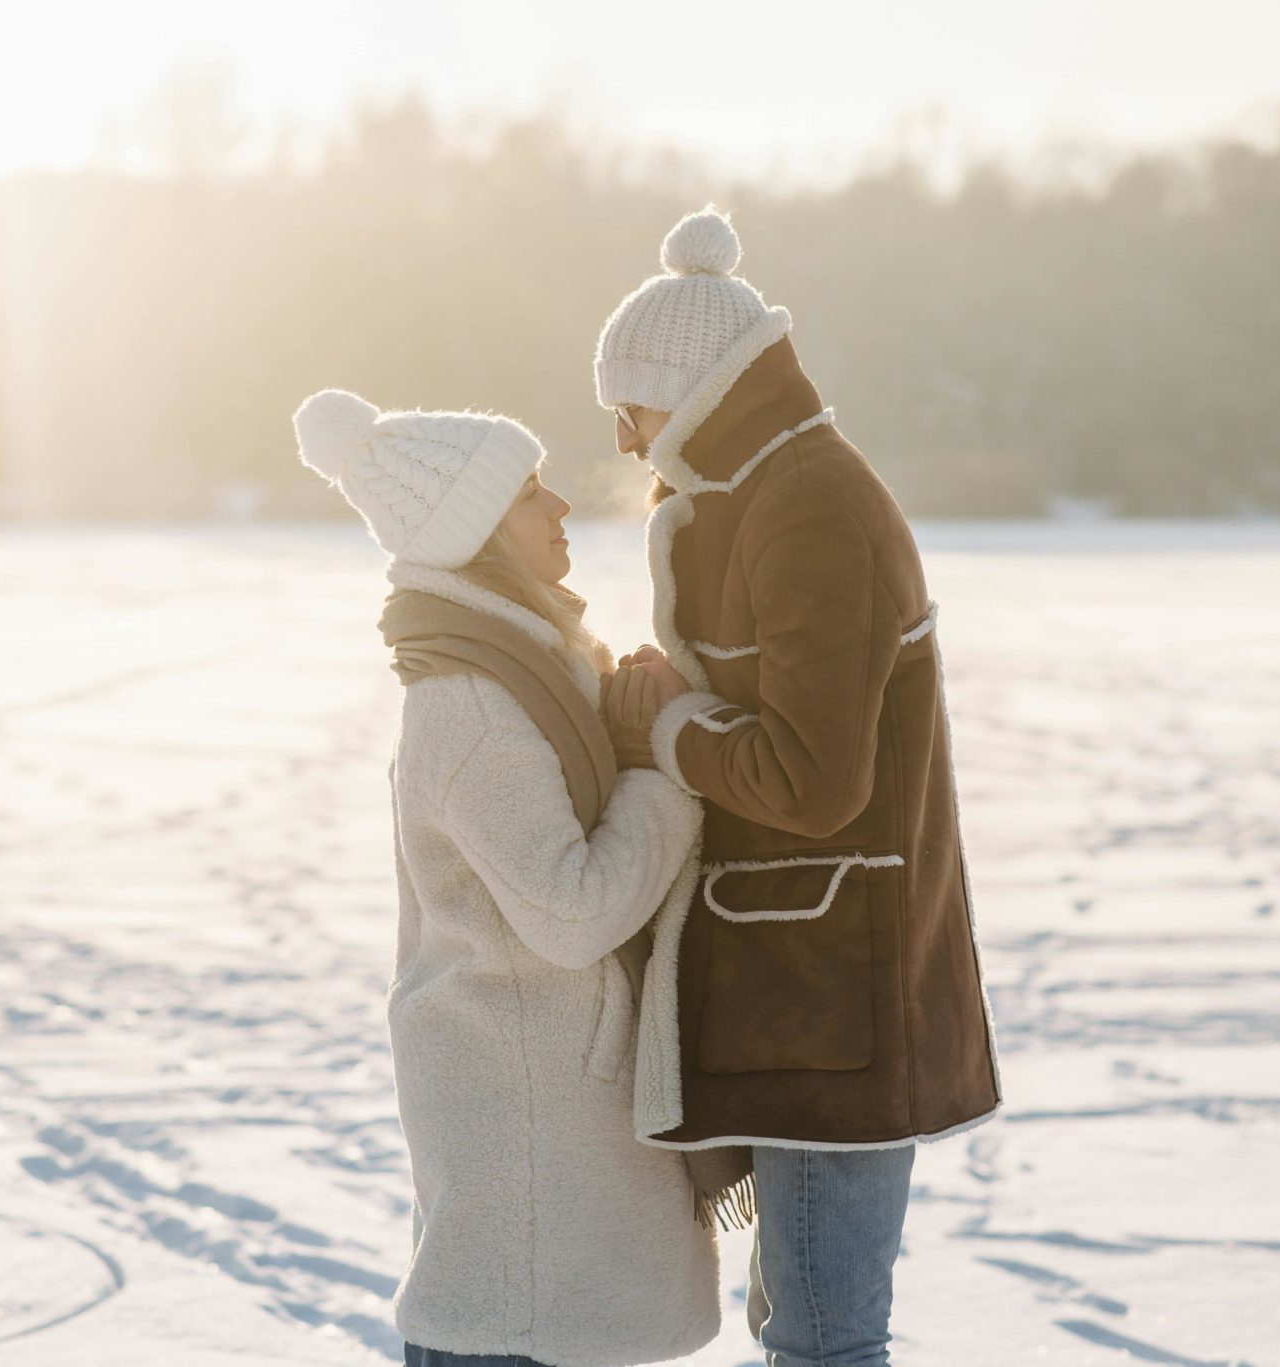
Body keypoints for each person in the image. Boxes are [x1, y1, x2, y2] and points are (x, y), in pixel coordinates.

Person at [591, 206, 1006, 1366]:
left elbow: (813, 781)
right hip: (800, 988)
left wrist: (668, 725)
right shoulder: (761, 497)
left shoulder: (809, 506)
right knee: (801, 1323)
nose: (625, 440)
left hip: (838, 995)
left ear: (695, 392)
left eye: (631, 406)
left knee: (822, 1333)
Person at [292, 388, 725, 1367]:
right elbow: (571, 915)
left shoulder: (536, 669)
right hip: (526, 1163)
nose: (559, 508)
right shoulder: (474, 707)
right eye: (530, 492)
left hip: (554, 1144)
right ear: (477, 531)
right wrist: (659, 770)